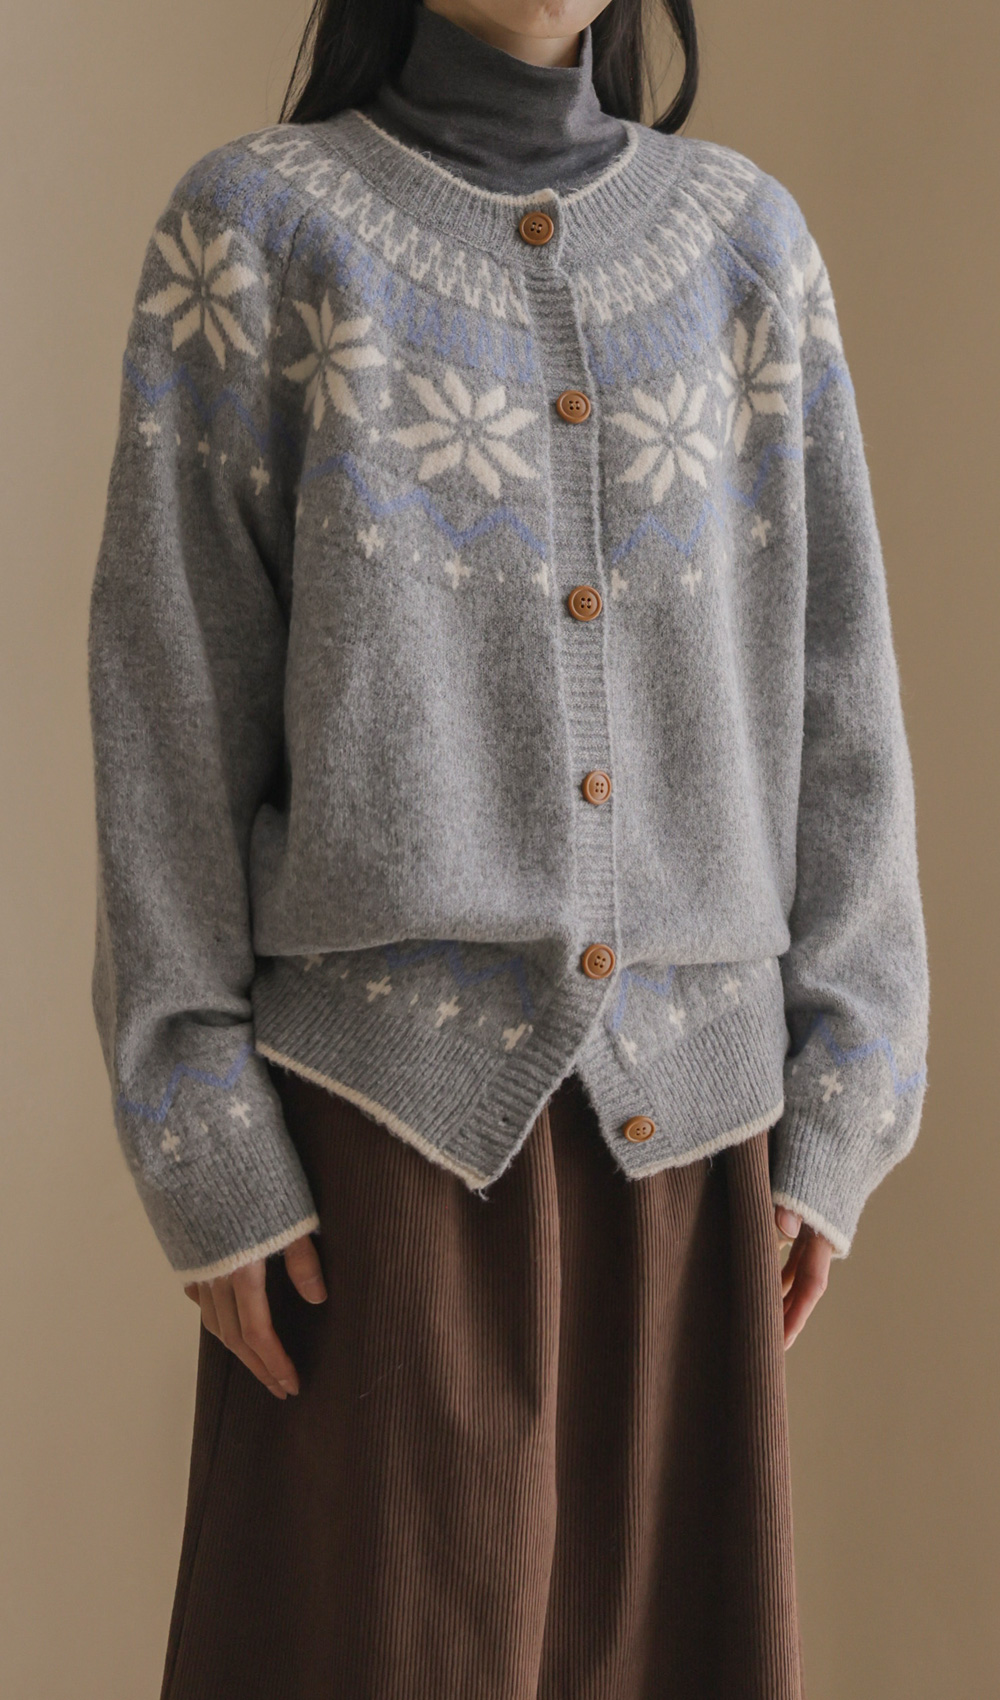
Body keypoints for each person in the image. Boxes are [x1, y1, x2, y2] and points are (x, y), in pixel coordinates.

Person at [86, 0, 929, 1692]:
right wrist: (202, 1138)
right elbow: (166, 707)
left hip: (694, 1161)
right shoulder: (254, 233)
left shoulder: (750, 251)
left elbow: (843, 697)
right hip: (374, 1170)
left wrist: (849, 1088)